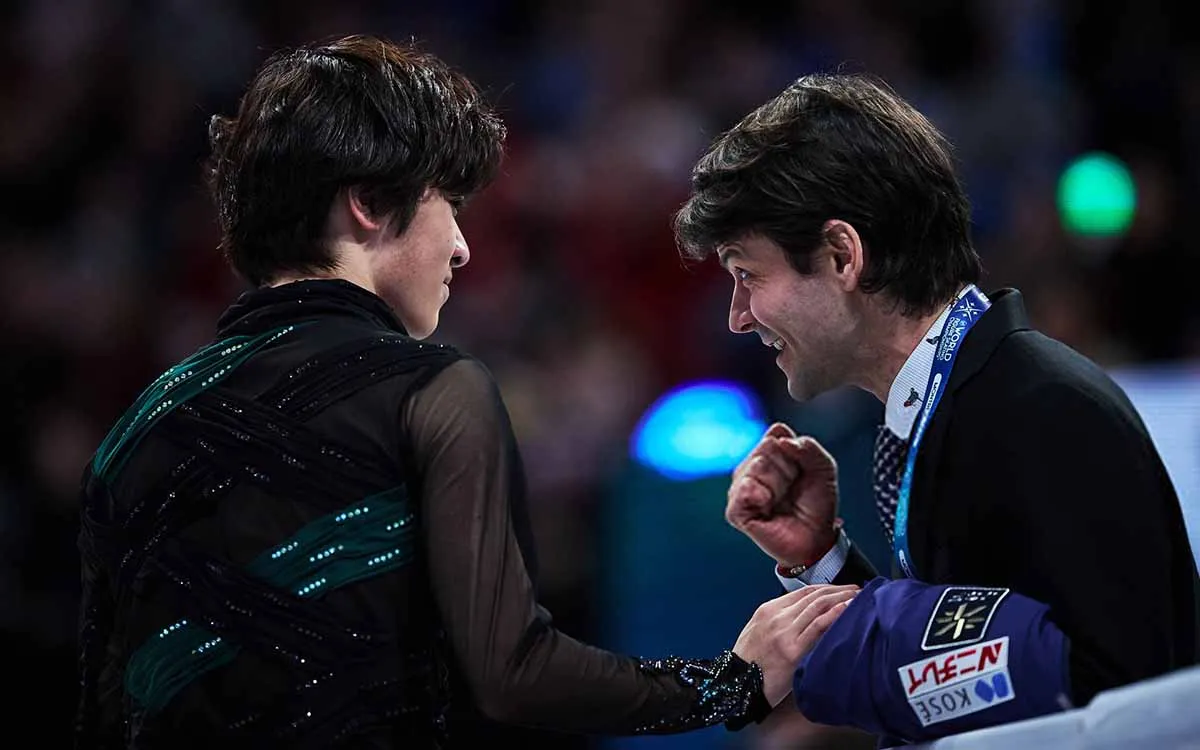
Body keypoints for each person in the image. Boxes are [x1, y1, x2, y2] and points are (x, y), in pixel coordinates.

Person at [74, 35, 859, 749]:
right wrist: (733, 681)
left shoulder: (135, 430)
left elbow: (105, 714)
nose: (461, 246)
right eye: (449, 202)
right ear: (369, 204)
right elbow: (512, 672)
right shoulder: (432, 392)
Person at [673, 72, 1200, 745]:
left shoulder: (1042, 408)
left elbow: (1126, 691)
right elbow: (980, 680)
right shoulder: (953, 408)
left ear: (842, 255)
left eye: (747, 275)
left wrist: (864, 638)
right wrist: (828, 567)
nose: (738, 317)